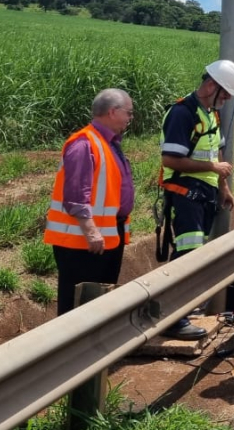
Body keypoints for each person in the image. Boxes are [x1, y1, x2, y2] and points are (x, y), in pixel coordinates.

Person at [157, 59, 234, 339]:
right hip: (185, 196)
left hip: (203, 196)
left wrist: (223, 188)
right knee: (185, 257)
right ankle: (174, 319)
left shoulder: (210, 115)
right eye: (225, 92)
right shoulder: (183, 113)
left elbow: (215, 154)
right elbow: (171, 159)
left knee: (194, 256)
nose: (227, 98)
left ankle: (182, 313)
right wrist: (213, 169)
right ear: (210, 86)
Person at [44, 88, 135, 316]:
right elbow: (75, 195)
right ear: (113, 112)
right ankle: (70, 349)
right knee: (76, 307)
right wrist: (92, 231)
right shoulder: (84, 144)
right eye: (128, 113)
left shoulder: (109, 143)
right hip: (83, 243)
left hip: (105, 239)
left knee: (98, 303)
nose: (130, 119)